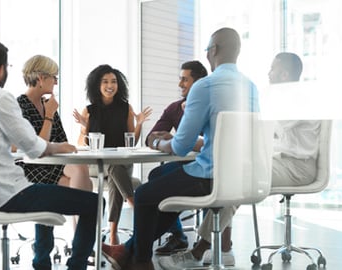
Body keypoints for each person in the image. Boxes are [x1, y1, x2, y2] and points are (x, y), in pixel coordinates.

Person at [101, 27, 259, 270]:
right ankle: (128, 251)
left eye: (208, 49)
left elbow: (180, 146)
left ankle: (140, 261)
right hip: (239, 175)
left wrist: (157, 142)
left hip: (210, 176)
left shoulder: (205, 86)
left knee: (144, 195)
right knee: (159, 178)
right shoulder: (250, 87)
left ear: (213, 50)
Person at [0, 39, 101, 270]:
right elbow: (34, 148)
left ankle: (44, 260)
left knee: (67, 184)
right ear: (0, 70)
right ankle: (75, 266)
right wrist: (57, 146)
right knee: (96, 202)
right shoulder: (0, 98)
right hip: (9, 194)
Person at [159, 52, 321, 269]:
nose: (268, 73)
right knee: (235, 171)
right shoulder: (289, 97)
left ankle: (201, 250)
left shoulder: (296, 99)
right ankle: (219, 248)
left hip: (298, 167)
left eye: (272, 69)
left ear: (283, 73)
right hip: (283, 161)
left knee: (239, 176)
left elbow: (260, 127)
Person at [14, 55, 93, 242]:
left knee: (82, 169)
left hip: (53, 163)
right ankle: (81, 243)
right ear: (41, 78)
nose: (56, 82)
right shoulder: (19, 106)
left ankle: (79, 242)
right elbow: (35, 149)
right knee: (87, 188)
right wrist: (49, 115)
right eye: (54, 77)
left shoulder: (46, 104)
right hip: (32, 167)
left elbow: (60, 142)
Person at [73, 64, 152, 245]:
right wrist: (85, 127)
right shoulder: (89, 110)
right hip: (96, 165)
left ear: (119, 85)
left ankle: (113, 234)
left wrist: (138, 123)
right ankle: (134, 207)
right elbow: (81, 144)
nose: (110, 85)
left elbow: (131, 141)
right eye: (105, 81)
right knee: (115, 168)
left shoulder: (126, 108)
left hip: (120, 164)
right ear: (97, 85)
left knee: (116, 168)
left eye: (114, 81)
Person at [144, 60, 208, 255]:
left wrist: (179, 140)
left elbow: (211, 142)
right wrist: (159, 142)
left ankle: (208, 240)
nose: (180, 84)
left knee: (161, 178)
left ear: (198, 83)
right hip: (183, 163)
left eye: (184, 80)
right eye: (180, 79)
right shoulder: (175, 108)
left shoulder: (209, 106)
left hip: (206, 165)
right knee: (156, 176)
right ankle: (177, 235)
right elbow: (151, 136)